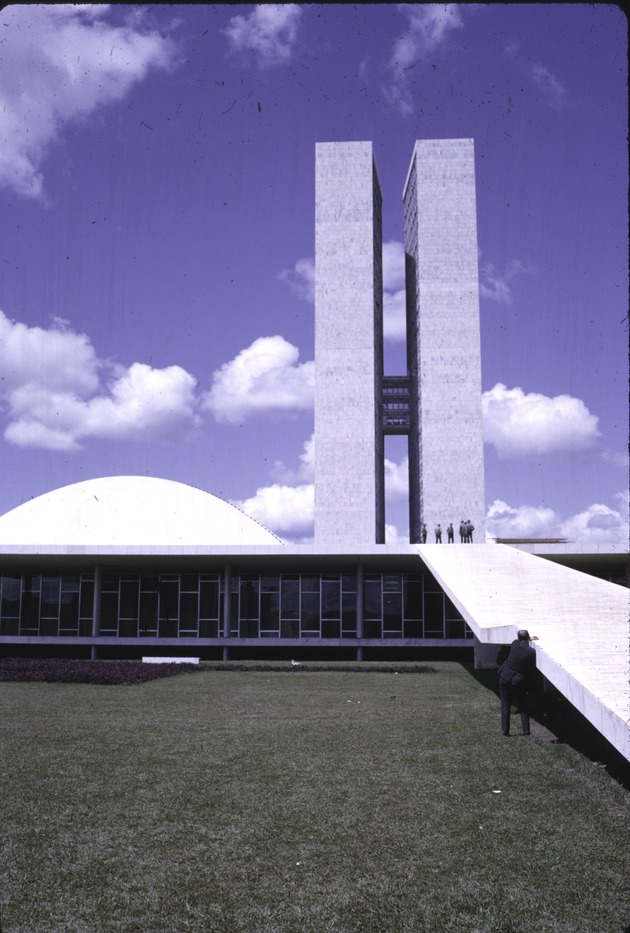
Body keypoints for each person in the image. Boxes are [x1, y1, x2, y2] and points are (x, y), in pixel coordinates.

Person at [498, 629, 537, 736]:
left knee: (505, 704)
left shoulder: (514, 644)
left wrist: (527, 638)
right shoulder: (531, 652)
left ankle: (505, 730)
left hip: (505, 678)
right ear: (527, 638)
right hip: (518, 681)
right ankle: (526, 730)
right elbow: (531, 668)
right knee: (523, 704)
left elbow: (519, 640)